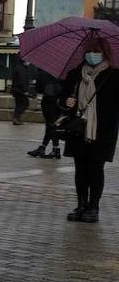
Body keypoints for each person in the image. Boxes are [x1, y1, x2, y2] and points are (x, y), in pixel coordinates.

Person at [61, 39, 118, 223]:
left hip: (102, 131)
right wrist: (66, 102)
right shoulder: (75, 74)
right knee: (80, 169)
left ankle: (94, 207)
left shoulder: (114, 76)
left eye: (96, 51)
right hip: (79, 129)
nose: (92, 55)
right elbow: (62, 98)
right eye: (89, 50)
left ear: (105, 53)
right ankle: (81, 205)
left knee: (95, 168)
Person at [28, 69, 64, 159]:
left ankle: (55, 149)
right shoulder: (63, 72)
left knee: (51, 125)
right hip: (60, 102)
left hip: (48, 101)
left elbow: (39, 89)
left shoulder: (43, 72)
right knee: (52, 125)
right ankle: (43, 147)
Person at [11, 58, 30, 125]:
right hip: (20, 90)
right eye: (28, 61)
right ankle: (16, 118)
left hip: (16, 90)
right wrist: (25, 90)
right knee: (25, 104)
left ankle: (16, 118)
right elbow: (22, 80)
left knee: (18, 105)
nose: (29, 62)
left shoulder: (18, 67)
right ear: (24, 61)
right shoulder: (21, 69)